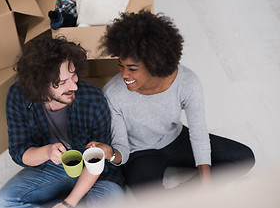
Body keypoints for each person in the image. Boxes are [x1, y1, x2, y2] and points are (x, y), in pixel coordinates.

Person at [86, 10, 255, 191]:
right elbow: (123, 151)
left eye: (132, 69)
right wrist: (111, 154)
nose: (124, 74)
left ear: (154, 64)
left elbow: (198, 135)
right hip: (140, 153)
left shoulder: (187, 82)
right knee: (150, 197)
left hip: (176, 140)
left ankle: (181, 196)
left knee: (244, 157)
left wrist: (206, 183)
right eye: (120, 65)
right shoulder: (113, 93)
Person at [0, 36, 124, 208]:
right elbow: (19, 152)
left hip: (94, 175)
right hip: (51, 168)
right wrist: (47, 152)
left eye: (73, 75)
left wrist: (69, 204)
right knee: (4, 203)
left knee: (115, 198)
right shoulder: (18, 96)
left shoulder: (93, 98)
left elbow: (97, 161)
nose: (74, 86)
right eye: (62, 83)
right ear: (40, 86)